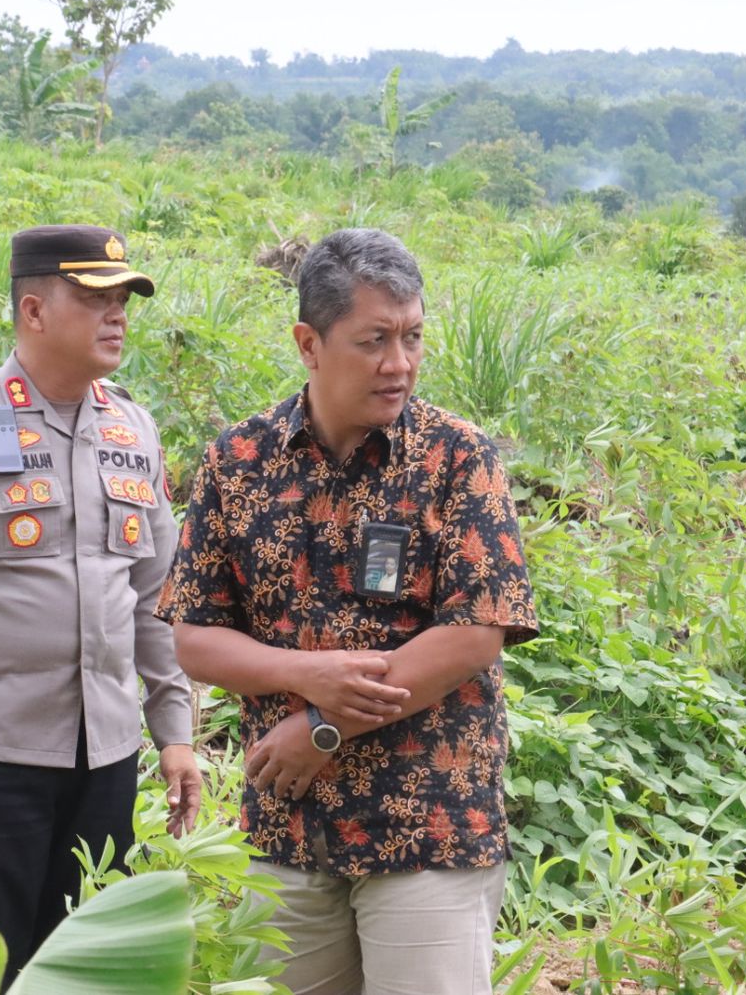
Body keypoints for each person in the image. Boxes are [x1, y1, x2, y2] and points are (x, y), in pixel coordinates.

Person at [157, 228, 538, 995]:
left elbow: (474, 633)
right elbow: (196, 636)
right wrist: (309, 675)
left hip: (427, 829)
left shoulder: (457, 457)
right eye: (374, 341)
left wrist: (325, 724)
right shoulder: (238, 463)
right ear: (310, 343)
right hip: (288, 831)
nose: (399, 363)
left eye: (413, 337)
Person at [0, 225, 203, 987]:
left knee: (83, 968)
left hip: (106, 757)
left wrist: (176, 732)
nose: (116, 313)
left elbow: (158, 597)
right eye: (94, 297)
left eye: (122, 298)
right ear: (33, 310)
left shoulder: (133, 427)